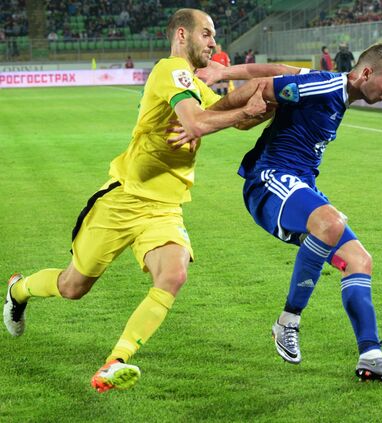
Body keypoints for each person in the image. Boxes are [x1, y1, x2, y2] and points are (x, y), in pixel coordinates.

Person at [3, 8, 266, 393]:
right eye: (207, 34)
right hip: (124, 199)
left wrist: (270, 100)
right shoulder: (170, 70)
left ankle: (115, 361)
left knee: (174, 274)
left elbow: (231, 116)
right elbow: (198, 122)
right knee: (74, 286)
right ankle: (18, 289)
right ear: (182, 34)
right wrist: (246, 108)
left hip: (164, 207)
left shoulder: (192, 82)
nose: (214, 43)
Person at [188, 42, 382, 383]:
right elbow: (265, 87)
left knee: (359, 260)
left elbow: (280, 69)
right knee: (330, 222)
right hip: (270, 180)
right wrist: (205, 122)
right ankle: (288, 321)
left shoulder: (332, 88)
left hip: (301, 187)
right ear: (366, 73)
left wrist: (224, 72)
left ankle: (371, 355)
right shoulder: (326, 87)